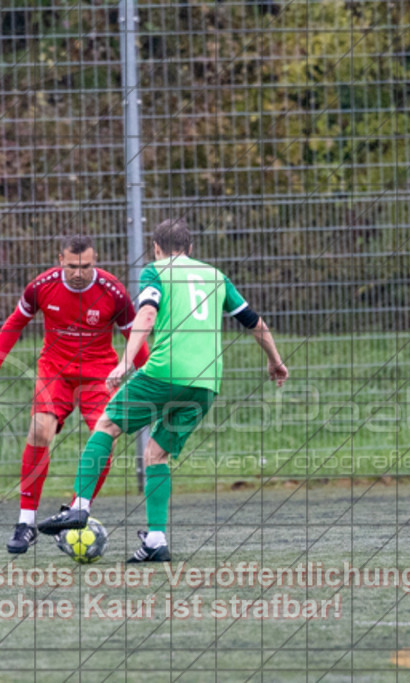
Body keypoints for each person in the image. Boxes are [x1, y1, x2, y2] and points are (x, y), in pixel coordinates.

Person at [38, 218, 289, 562]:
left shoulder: (155, 271)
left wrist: (126, 361)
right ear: (190, 249)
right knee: (157, 454)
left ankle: (79, 506)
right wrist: (275, 361)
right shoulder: (215, 276)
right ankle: (156, 540)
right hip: (205, 384)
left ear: (156, 248)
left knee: (107, 426)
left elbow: (146, 316)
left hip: (163, 374)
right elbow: (254, 321)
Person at [0, 234, 149, 554]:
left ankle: (75, 510)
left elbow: (134, 337)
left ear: (95, 262)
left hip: (99, 374)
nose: (79, 273)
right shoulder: (41, 286)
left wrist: (154, 379)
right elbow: (15, 323)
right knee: (40, 430)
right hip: (54, 369)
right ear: (61, 261)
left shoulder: (113, 291)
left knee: (105, 435)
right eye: (72, 266)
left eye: (86, 266)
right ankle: (26, 523)